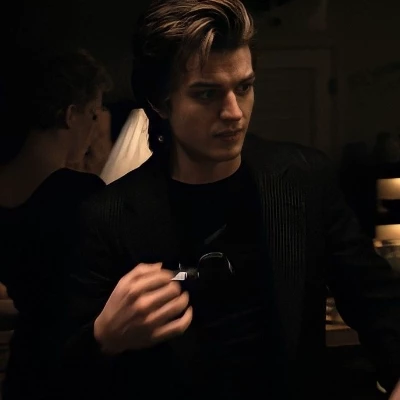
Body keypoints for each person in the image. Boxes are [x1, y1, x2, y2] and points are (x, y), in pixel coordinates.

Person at [63, 1, 400, 399]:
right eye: (207, 94)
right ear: (160, 102)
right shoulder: (107, 217)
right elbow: (50, 374)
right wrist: (103, 338)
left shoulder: (304, 179)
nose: (234, 112)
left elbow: (378, 303)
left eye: (244, 87)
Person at [0, 47, 112, 400]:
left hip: (22, 368)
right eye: (93, 115)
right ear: (71, 115)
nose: (93, 130)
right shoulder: (78, 194)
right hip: (66, 368)